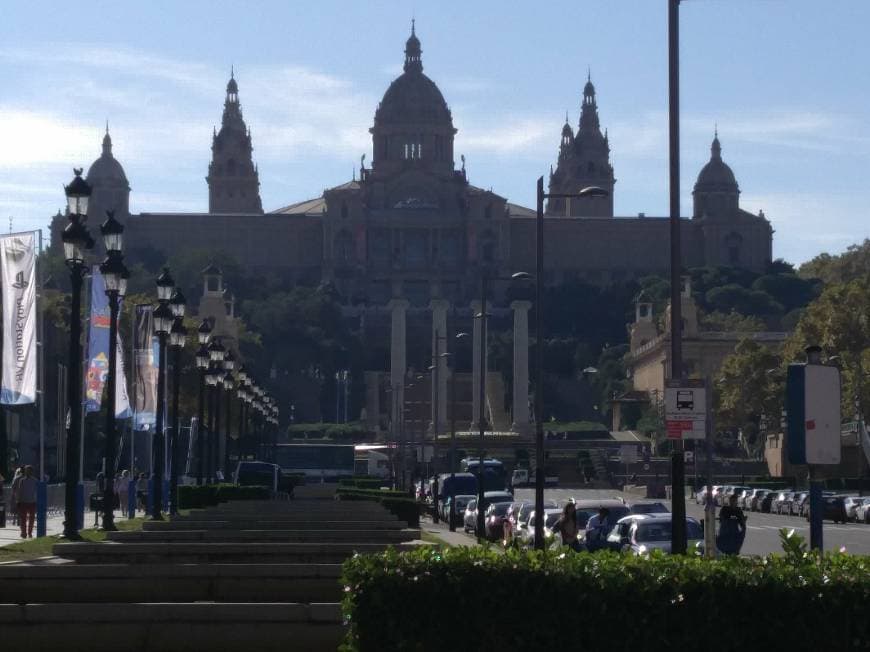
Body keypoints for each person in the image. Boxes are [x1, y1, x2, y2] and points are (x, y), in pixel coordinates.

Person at [14, 466, 38, 538]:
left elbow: (37, 491)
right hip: (23, 502)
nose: (27, 472)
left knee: (31, 518)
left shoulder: (35, 481)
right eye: (26, 471)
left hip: (32, 502)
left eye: (29, 471)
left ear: (31, 472)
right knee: (23, 519)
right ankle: (23, 533)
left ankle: (29, 532)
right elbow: (19, 491)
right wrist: (18, 500)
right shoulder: (22, 480)